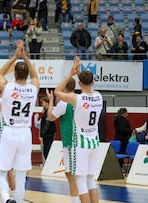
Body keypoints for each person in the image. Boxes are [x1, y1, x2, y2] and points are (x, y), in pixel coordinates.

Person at [0, 40, 39, 203]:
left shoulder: (8, 87)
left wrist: (15, 56)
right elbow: (34, 76)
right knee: (21, 176)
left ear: (14, 74)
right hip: (25, 134)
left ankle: (7, 199)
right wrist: (25, 57)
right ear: (27, 75)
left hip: (9, 132)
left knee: (1, 172)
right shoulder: (34, 89)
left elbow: (0, 72)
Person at [54, 56, 103, 203]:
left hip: (80, 145)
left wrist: (70, 74)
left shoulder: (76, 99)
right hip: (94, 143)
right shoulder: (99, 96)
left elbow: (57, 91)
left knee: (81, 182)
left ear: (79, 83)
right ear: (93, 82)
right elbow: (88, 86)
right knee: (91, 181)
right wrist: (79, 71)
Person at [46, 79, 80, 203]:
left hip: (71, 142)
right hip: (82, 141)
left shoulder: (64, 102)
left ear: (64, 88)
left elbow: (50, 117)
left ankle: (76, 201)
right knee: (75, 175)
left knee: (72, 175)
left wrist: (50, 101)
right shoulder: (80, 98)